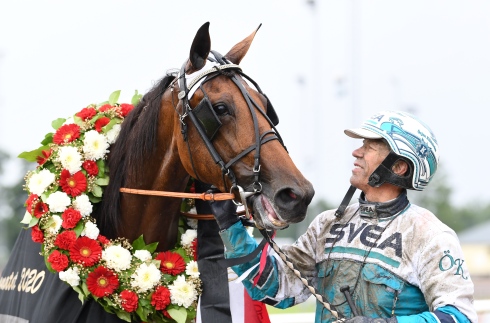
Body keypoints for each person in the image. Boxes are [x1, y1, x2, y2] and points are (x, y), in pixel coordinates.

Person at [208, 111, 477, 323]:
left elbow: (459, 316)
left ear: (399, 166)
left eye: (370, 147)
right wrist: (230, 227)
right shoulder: (327, 224)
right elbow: (274, 287)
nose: (356, 152)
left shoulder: (429, 235)